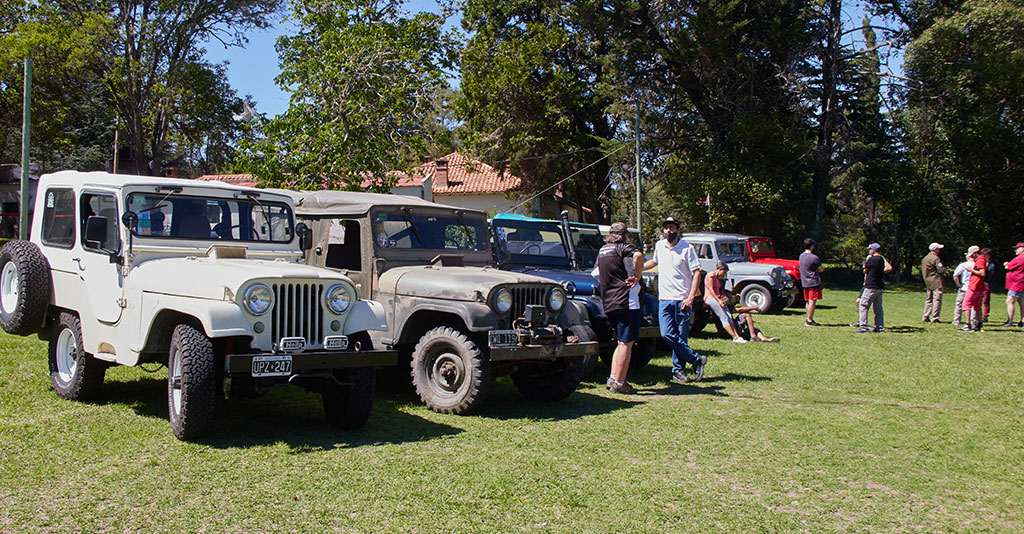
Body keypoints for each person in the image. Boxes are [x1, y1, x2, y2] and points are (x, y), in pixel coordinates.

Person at [643, 216, 707, 384]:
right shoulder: (659, 246)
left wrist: (691, 296)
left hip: (682, 299)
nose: (668, 231)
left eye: (671, 227)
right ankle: (696, 359)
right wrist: (637, 268)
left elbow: (697, 272)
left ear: (678, 230)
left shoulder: (687, 249)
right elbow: (654, 262)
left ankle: (678, 370)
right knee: (666, 334)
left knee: (680, 336)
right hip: (664, 298)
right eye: (666, 228)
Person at [593, 222, 645, 395]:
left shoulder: (602, 251)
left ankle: (613, 378)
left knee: (620, 342)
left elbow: (595, 274)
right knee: (626, 343)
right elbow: (638, 256)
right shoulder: (623, 248)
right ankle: (620, 383)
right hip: (627, 300)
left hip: (609, 301)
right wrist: (637, 276)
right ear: (624, 235)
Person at [703, 262, 748, 343]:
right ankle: (734, 337)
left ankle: (737, 336)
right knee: (723, 317)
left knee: (729, 316)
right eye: (724, 272)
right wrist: (719, 300)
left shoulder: (717, 277)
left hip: (718, 298)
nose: (723, 275)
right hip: (710, 298)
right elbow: (711, 289)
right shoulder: (711, 276)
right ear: (720, 269)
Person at [856, 243, 893, 333]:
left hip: (870, 286)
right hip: (879, 286)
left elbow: (865, 270)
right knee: (878, 307)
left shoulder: (872, 259)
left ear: (873, 250)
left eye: (870, 249)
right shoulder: (881, 259)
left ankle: (863, 326)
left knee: (863, 305)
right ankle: (879, 326)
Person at [959, 247, 988, 332]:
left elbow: (982, 273)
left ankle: (967, 325)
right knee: (977, 306)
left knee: (966, 304)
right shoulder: (981, 260)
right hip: (978, 286)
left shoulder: (980, 260)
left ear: (975, 253)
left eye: (972, 255)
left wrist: (971, 270)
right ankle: (979, 324)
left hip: (974, 286)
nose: (971, 257)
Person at [920, 242, 948, 323]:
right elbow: (940, 269)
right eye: (938, 248)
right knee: (937, 300)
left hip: (928, 282)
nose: (939, 250)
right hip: (936, 281)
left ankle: (925, 316)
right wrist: (945, 271)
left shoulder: (925, 258)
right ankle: (935, 317)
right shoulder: (935, 259)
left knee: (928, 300)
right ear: (935, 249)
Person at [799, 238, 824, 326]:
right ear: (812, 246)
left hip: (804, 282)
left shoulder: (801, 256)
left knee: (808, 301)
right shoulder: (814, 258)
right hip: (813, 282)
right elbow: (821, 269)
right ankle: (809, 320)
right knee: (812, 302)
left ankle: (808, 318)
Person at [1000, 242, 1024, 327]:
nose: (1016, 250)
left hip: (1016, 283)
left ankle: (1010, 321)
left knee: (1009, 301)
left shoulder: (1020, 258)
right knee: (1021, 302)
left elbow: (1008, 266)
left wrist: (1006, 264)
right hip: (1020, 283)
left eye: (1017, 248)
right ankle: (1022, 321)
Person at [951, 250, 975, 326]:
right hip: (974, 287)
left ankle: (957, 320)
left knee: (959, 304)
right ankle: (973, 320)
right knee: (974, 305)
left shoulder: (963, 265)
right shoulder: (977, 265)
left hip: (964, 287)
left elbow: (955, 275)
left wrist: (958, 284)